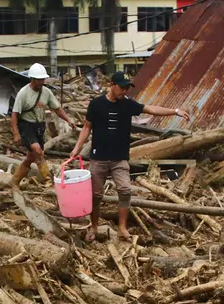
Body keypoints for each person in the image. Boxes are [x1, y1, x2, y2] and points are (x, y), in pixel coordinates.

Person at [70, 71, 189, 241]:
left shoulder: (127, 104)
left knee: (125, 190)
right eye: (122, 87)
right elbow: (87, 127)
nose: (125, 91)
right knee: (96, 195)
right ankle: (94, 226)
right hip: (99, 158)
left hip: (120, 158)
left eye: (127, 88)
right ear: (112, 85)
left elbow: (151, 109)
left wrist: (175, 111)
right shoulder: (96, 104)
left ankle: (122, 228)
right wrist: (77, 149)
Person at [10, 62, 75, 188]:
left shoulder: (46, 92)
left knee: (31, 157)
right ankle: (48, 180)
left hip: (39, 126)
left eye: (43, 79)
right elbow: (14, 114)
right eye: (39, 80)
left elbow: (57, 108)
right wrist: (16, 133)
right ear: (32, 79)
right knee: (38, 151)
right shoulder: (23, 93)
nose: (41, 82)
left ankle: (14, 182)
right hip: (26, 126)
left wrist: (68, 119)